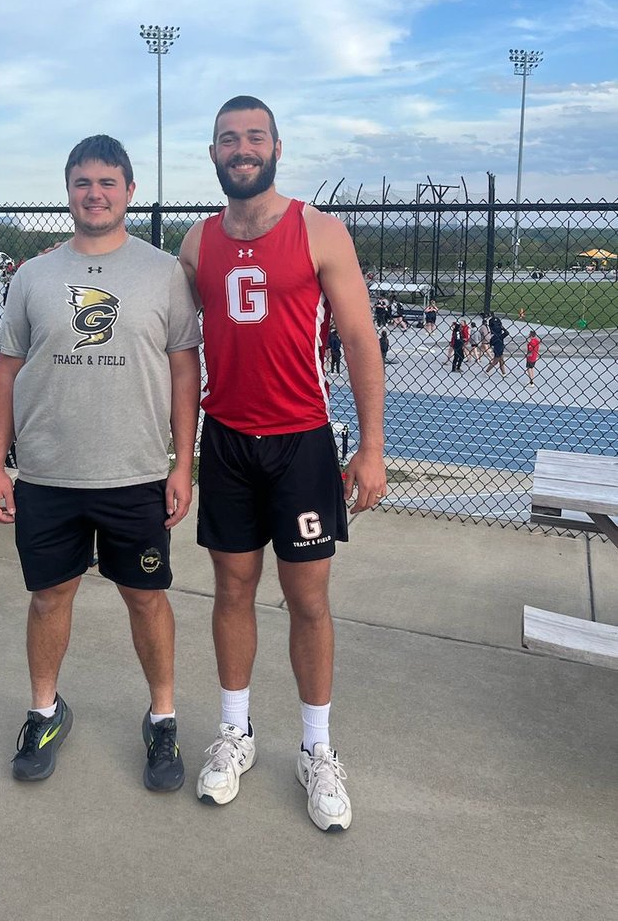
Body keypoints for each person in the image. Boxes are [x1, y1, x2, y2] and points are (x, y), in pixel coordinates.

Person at [179, 96, 386, 833]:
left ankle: (317, 749)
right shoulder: (195, 243)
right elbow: (177, 343)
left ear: (276, 148)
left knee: (309, 600)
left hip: (301, 441)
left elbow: (361, 341)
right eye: (228, 139)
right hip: (227, 440)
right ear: (212, 153)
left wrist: (371, 447)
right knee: (231, 590)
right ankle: (236, 733)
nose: (242, 149)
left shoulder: (319, 230)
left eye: (254, 137)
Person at [0, 135, 201, 793]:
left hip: (134, 473)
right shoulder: (34, 276)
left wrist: (182, 463)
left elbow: (185, 368)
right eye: (83, 182)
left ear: (129, 191)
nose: (95, 193)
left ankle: (162, 718)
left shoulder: (163, 272)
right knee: (50, 597)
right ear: (68, 191)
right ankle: (45, 712)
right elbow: (7, 372)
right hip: (48, 473)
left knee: (146, 598)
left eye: (108, 182)